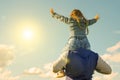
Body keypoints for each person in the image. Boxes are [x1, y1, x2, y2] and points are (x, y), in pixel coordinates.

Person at [50, 8, 99, 77]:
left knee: (65, 54)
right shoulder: (85, 22)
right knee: (87, 56)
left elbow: (61, 18)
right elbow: (92, 21)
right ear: (81, 15)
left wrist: (53, 14)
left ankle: (62, 70)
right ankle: (90, 69)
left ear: (72, 15)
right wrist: (96, 19)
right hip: (85, 41)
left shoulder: (70, 20)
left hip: (74, 41)